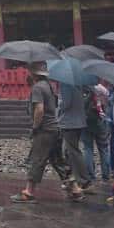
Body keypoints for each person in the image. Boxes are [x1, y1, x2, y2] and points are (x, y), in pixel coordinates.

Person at [11, 66, 79, 203]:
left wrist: (35, 127)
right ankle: (75, 189)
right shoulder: (49, 86)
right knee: (58, 160)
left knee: (37, 159)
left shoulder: (37, 88)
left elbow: (39, 109)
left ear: (34, 74)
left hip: (45, 130)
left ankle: (29, 192)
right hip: (55, 128)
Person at [57, 79, 91, 193]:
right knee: (68, 151)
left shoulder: (65, 84)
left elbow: (66, 104)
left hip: (69, 122)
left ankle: (83, 180)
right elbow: (89, 93)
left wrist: (58, 105)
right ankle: (73, 179)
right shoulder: (78, 83)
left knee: (73, 152)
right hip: (78, 120)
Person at [81, 84, 111, 183]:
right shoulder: (102, 89)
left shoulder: (83, 89)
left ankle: (90, 176)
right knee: (104, 149)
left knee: (87, 148)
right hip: (100, 121)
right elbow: (107, 104)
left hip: (87, 121)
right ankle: (106, 177)